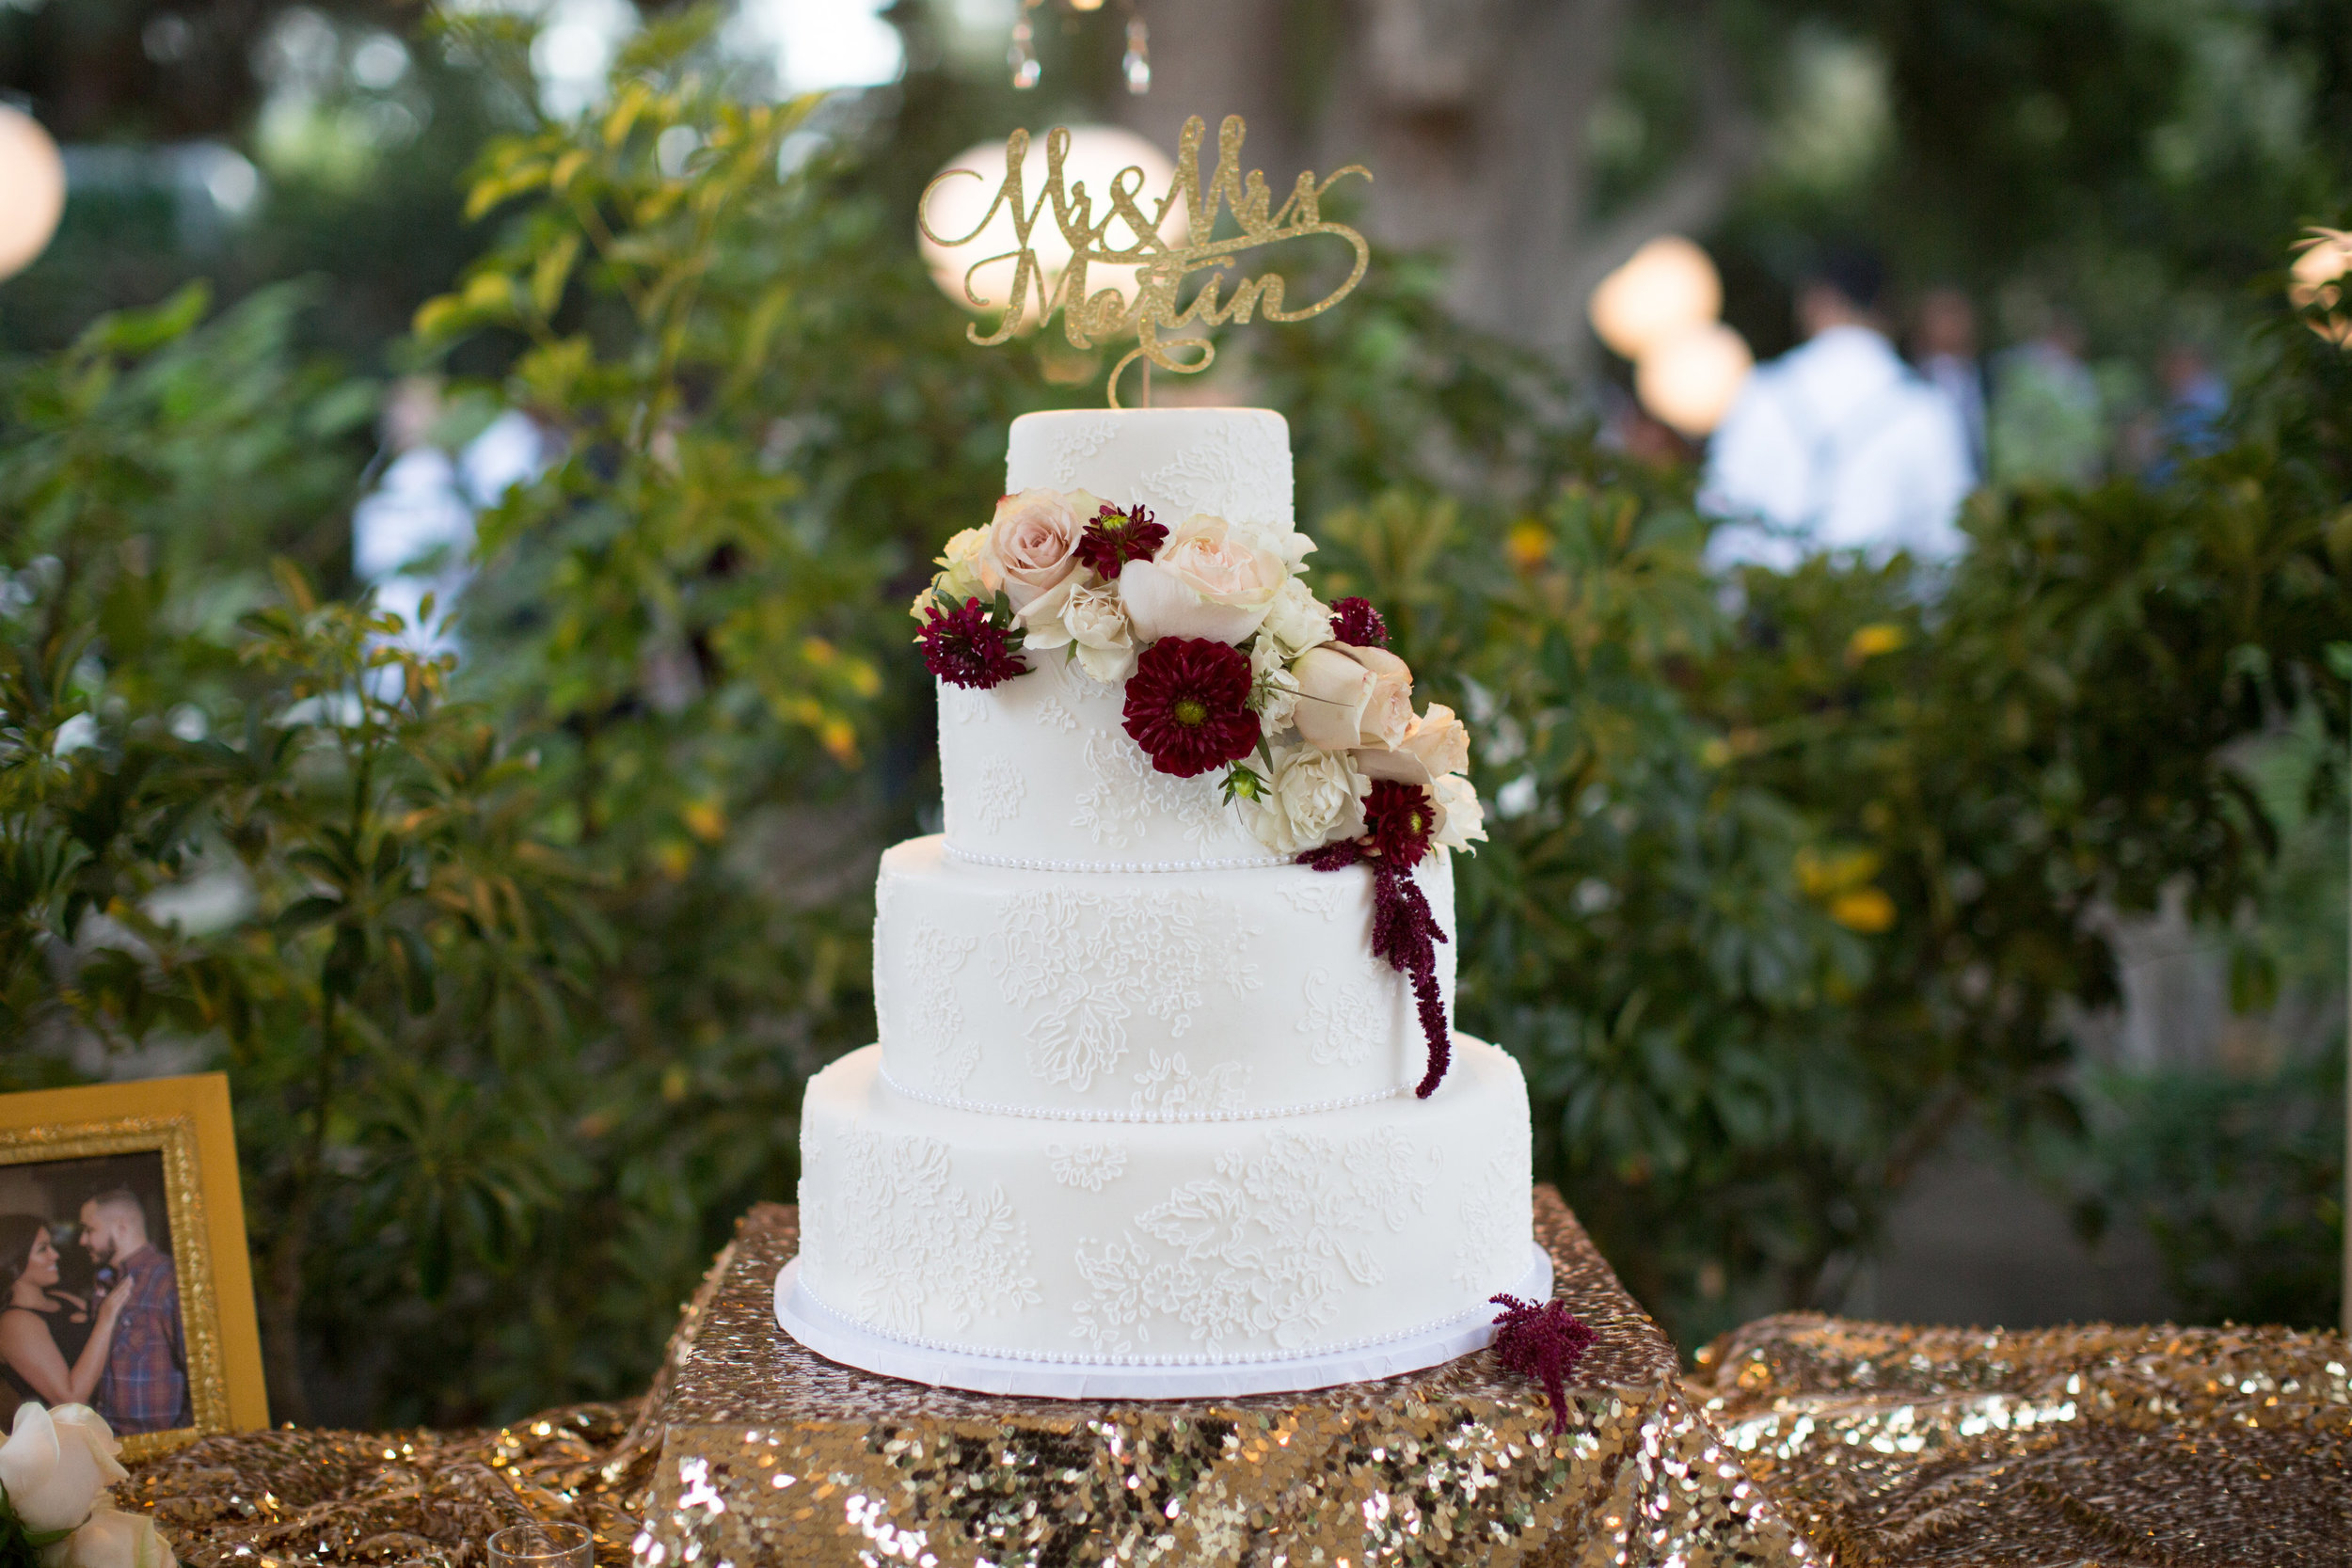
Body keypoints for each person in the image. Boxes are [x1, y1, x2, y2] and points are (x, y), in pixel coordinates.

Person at [1702, 249, 1974, 569]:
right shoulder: (1927, 410)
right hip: (1885, 612)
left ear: (1813, 301)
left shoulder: (1761, 392)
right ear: (1887, 308)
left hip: (1768, 606)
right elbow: (1950, 543)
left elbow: (1722, 515)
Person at [78, 1191, 188, 1433]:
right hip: (111, 1447)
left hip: (158, 1451)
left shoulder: (167, 1281)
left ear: (121, 1228)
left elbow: (201, 1376)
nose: (82, 1241)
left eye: (89, 1230)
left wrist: (179, 1445)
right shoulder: (104, 1283)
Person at [0, 1213, 130, 1414]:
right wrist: (105, 1320)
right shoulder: (14, 1323)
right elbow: (71, 1400)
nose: (55, 1255)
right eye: (43, 1249)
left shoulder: (62, 1298)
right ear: (13, 1260)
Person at [1913, 287, 1987, 481]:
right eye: (1944, 316)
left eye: (1957, 315)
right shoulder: (1910, 383)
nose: (1952, 325)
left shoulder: (1992, 378)